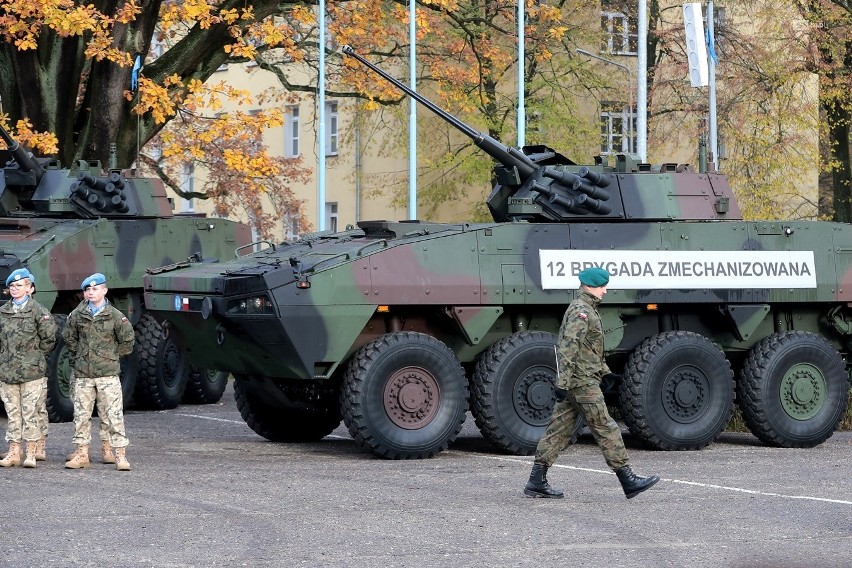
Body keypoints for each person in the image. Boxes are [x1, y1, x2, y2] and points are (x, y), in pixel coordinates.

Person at [524, 267, 659, 499]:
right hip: (581, 383)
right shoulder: (581, 311)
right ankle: (628, 479)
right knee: (606, 427)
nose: (605, 290)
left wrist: (605, 373)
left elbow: (590, 350)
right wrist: (563, 383)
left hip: (581, 380)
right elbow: (568, 348)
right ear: (589, 286)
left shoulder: (586, 309)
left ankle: (536, 480)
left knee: (558, 430)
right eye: (602, 286)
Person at [63, 273, 135, 471]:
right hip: (84, 375)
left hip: (107, 375)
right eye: (87, 290)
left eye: (95, 289)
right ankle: (82, 454)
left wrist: (110, 357)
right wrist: (81, 357)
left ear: (104, 290)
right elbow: (69, 338)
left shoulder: (115, 316)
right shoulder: (78, 315)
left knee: (113, 415)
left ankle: (118, 454)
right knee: (81, 415)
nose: (90, 292)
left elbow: (127, 342)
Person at [0, 268, 57, 468]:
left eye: (20, 285)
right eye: (12, 286)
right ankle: (14, 451)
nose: (15, 289)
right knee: (13, 413)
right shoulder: (3, 312)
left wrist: (34, 357)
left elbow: (49, 338)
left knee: (31, 411)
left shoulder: (38, 311)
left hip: (32, 372)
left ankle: (32, 452)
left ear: (30, 289)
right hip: (8, 372)